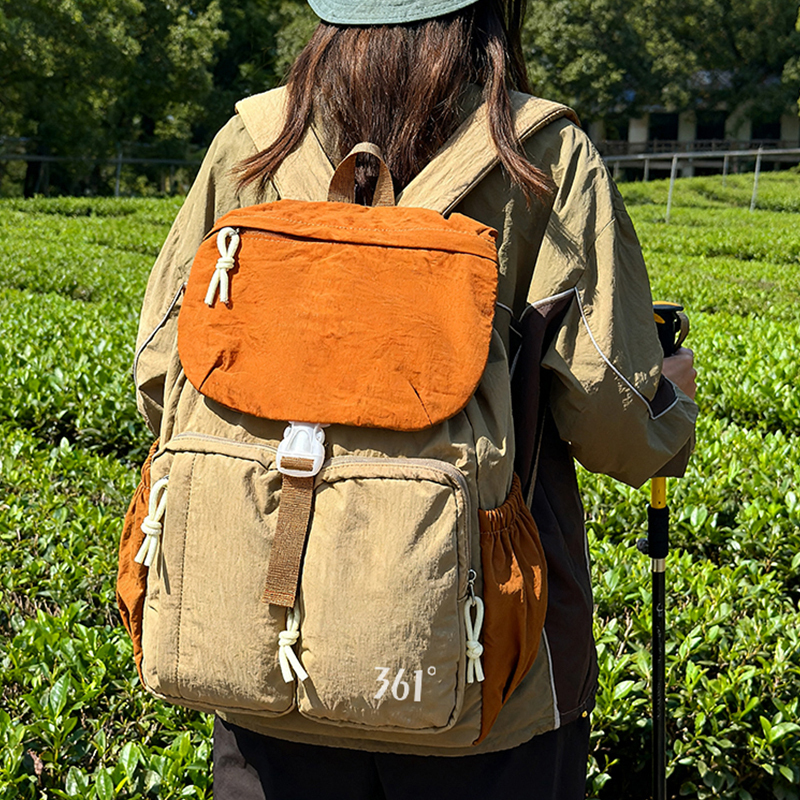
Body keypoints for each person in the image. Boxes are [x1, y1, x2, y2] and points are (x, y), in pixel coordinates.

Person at [132, 0, 698, 797]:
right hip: (487, 685)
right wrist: (670, 404)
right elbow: (617, 423)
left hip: (265, 671)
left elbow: (160, 379)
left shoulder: (252, 146)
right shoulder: (540, 157)